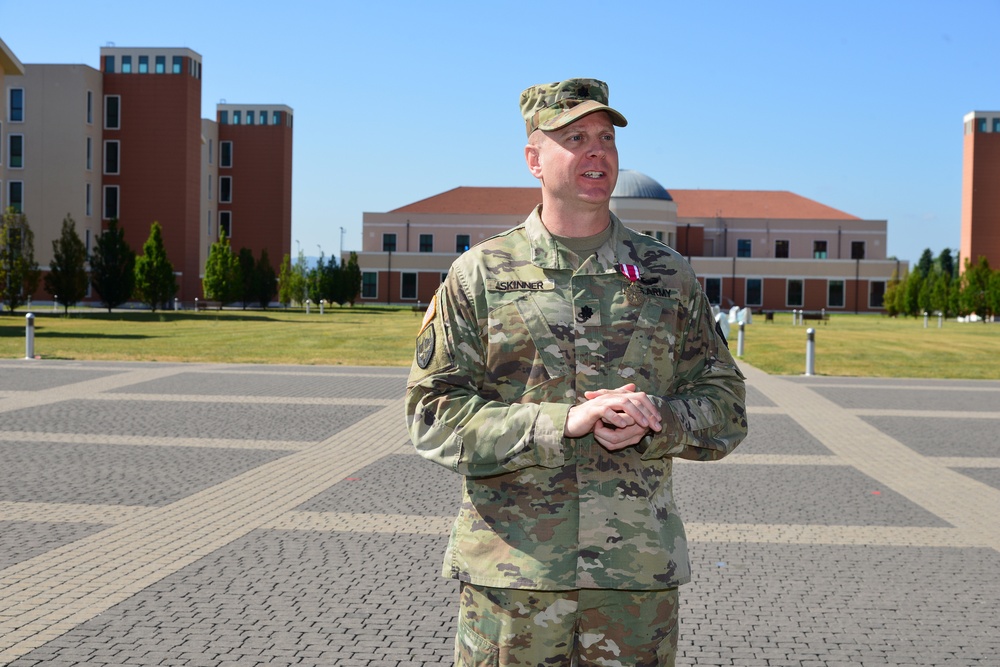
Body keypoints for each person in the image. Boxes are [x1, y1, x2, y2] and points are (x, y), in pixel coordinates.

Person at [405, 78, 748, 666]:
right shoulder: (480, 276)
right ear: (534, 159)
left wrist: (661, 419)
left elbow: (727, 405)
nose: (597, 152)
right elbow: (432, 415)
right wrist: (560, 423)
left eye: (606, 138)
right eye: (574, 138)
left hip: (633, 582)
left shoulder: (668, 277)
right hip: (514, 581)